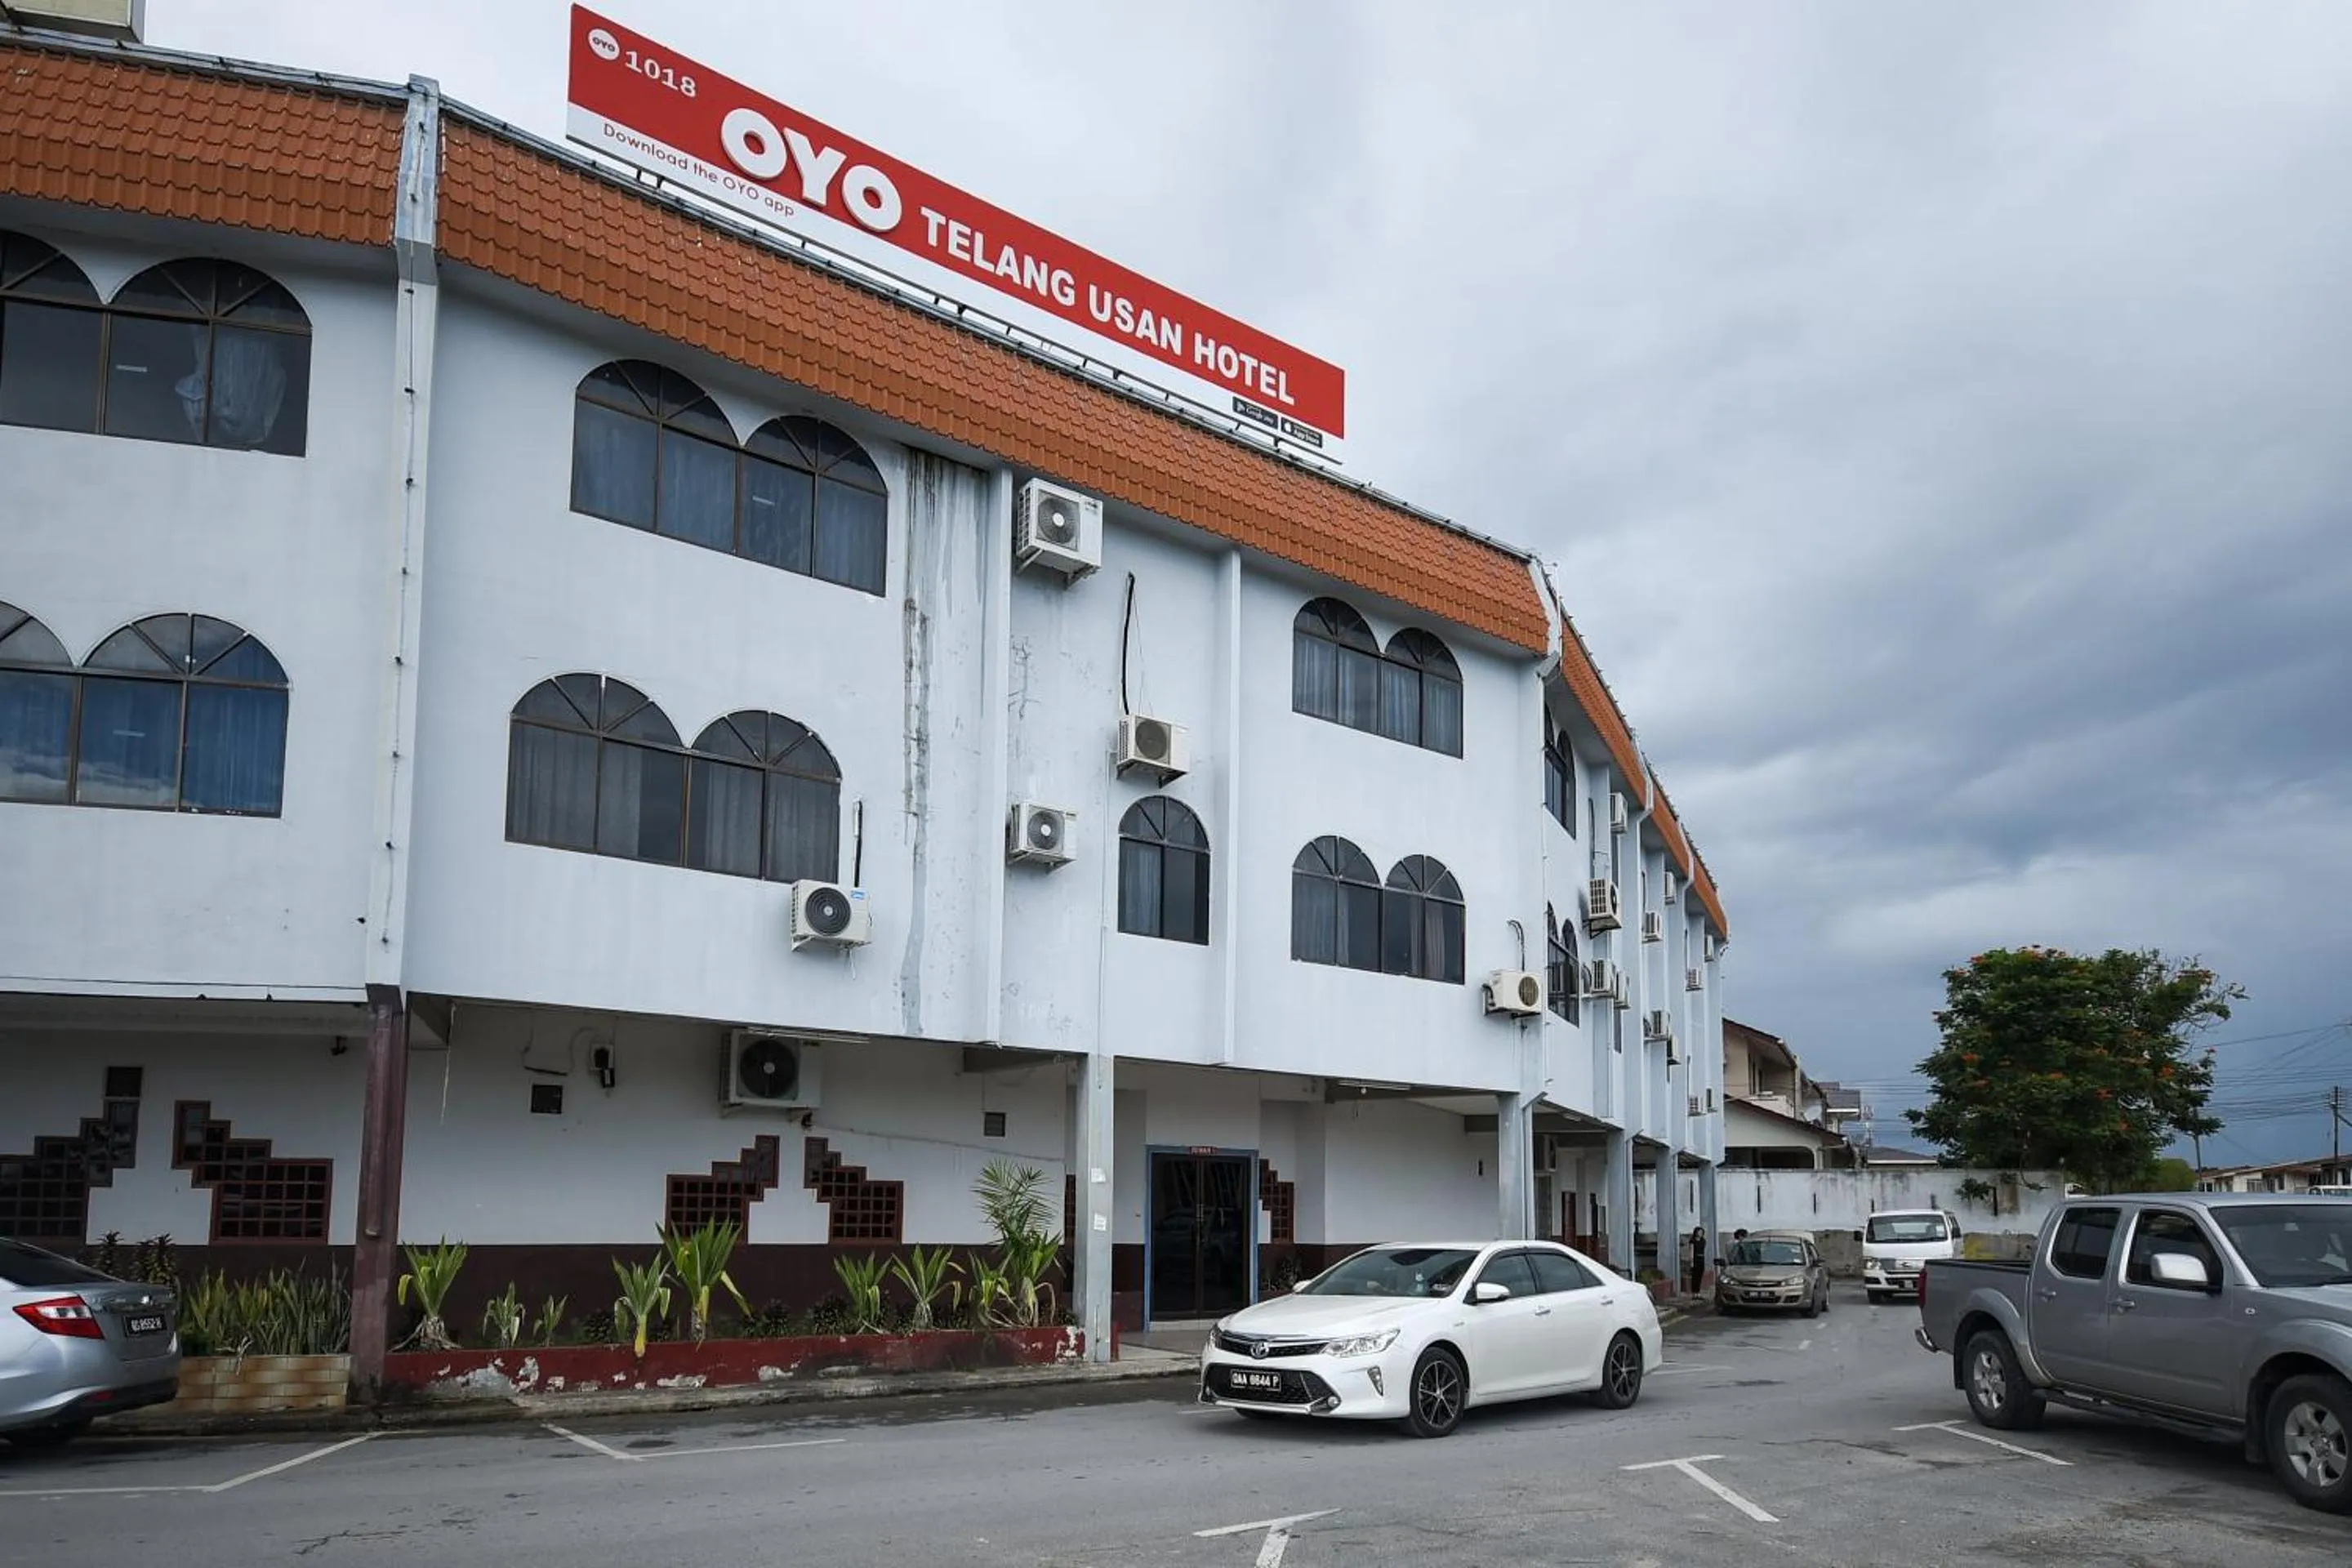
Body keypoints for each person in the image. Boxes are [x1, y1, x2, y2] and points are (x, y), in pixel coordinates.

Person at [1685, 1226, 1707, 1294]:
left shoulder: (1703, 1241)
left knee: (1700, 1276)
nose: (1700, 1233)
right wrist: (1691, 1262)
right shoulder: (1693, 1241)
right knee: (1695, 1277)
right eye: (1699, 1232)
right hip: (1695, 1259)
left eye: (1702, 1232)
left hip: (1701, 1259)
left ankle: (1698, 1292)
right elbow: (1691, 1251)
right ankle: (1694, 1293)